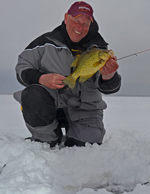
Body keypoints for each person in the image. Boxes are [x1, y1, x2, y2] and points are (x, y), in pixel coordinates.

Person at [13, 1, 121, 147]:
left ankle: (78, 134)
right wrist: (41, 78)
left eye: (85, 23)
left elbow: (110, 88)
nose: (80, 27)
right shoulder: (44, 43)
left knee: (86, 148)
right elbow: (22, 67)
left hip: (84, 110)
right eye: (76, 21)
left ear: (91, 24)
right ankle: (48, 137)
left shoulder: (99, 49)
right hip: (51, 105)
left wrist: (109, 76)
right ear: (66, 18)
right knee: (32, 96)